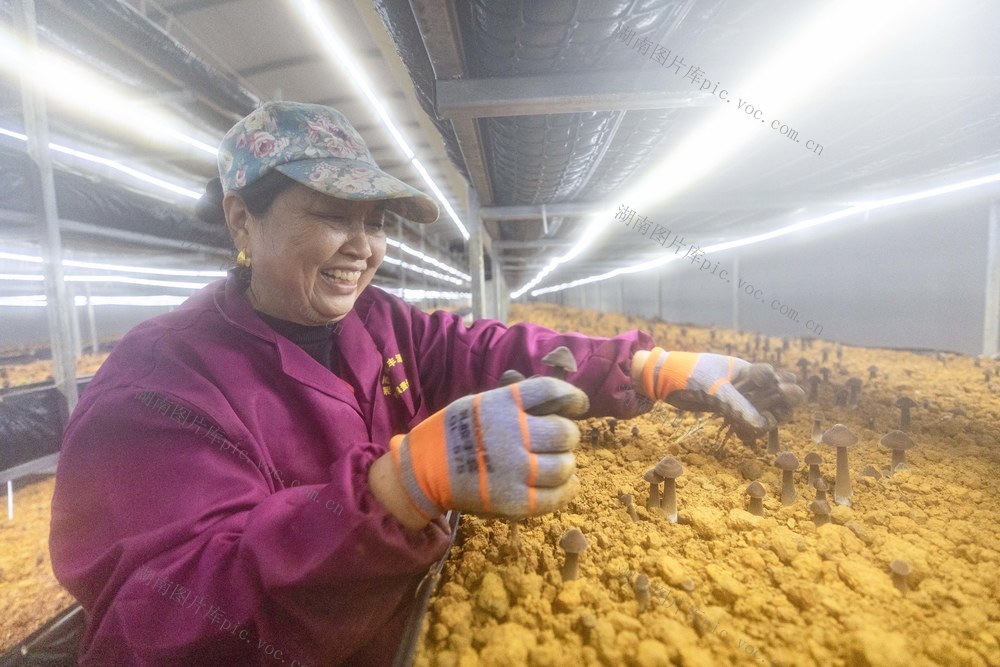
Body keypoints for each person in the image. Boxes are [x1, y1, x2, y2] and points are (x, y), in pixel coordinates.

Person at [49, 101, 800, 665]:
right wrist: (394, 490)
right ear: (243, 221)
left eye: (374, 220)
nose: (364, 247)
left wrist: (649, 367)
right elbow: (154, 625)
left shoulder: (374, 323)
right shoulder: (160, 387)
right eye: (331, 214)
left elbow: (482, 347)